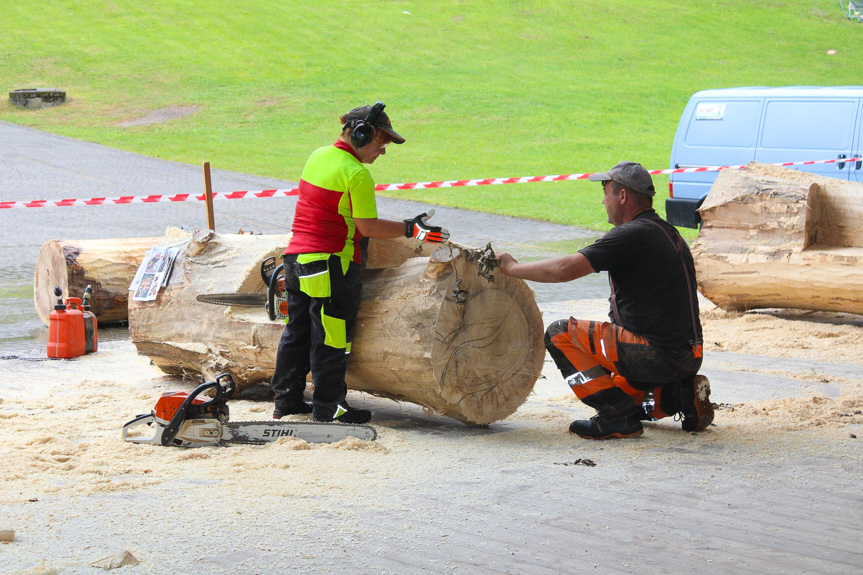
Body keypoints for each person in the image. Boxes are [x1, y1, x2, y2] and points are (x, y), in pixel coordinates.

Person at [497, 161, 713, 439]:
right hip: (685, 356)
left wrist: (512, 268)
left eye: (606, 192)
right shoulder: (668, 232)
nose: (603, 199)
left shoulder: (631, 234)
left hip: (656, 355)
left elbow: (566, 270)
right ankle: (677, 396)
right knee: (616, 386)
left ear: (622, 196)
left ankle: (616, 417)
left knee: (559, 334)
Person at [271, 102, 449, 424]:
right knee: (332, 336)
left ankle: (286, 401)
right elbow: (368, 227)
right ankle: (330, 407)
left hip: (296, 258)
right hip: (331, 263)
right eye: (381, 143)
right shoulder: (357, 174)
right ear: (361, 133)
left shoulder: (318, 155)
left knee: (296, 332)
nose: (382, 152)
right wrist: (412, 229)